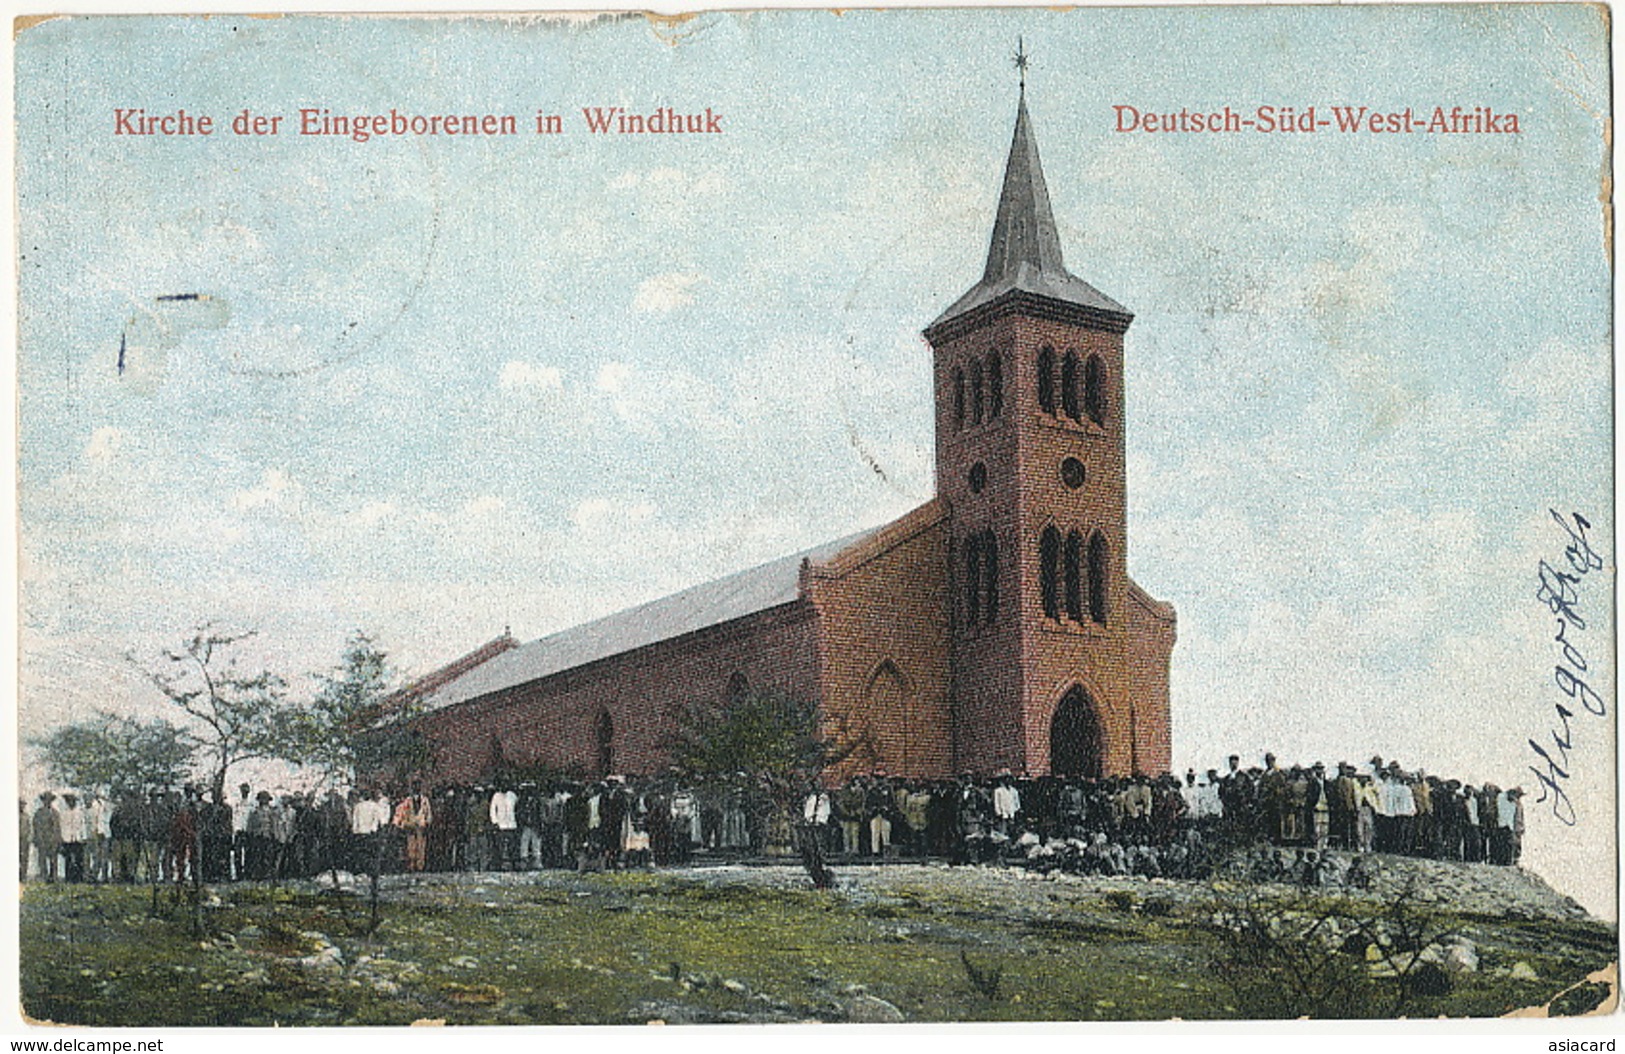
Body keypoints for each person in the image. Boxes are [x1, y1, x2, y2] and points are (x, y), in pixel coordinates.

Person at [393, 782, 433, 872]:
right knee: (411, 846)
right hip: (410, 825)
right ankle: (411, 864)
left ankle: (420, 865)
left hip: (421, 825)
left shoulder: (425, 800)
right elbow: (403, 812)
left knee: (421, 846)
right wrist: (403, 823)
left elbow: (428, 812)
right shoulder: (408, 800)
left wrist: (428, 822)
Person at [30, 793, 61, 883]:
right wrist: (37, 838)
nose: (48, 802)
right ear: (43, 801)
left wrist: (58, 839)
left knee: (53, 859)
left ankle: (53, 877)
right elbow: (36, 827)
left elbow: (58, 828)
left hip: (53, 840)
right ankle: (44, 876)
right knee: (42, 859)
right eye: (46, 800)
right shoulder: (38, 813)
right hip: (43, 839)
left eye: (49, 800)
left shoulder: (55, 813)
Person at [58, 793, 87, 883]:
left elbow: (83, 825)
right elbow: (61, 826)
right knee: (68, 859)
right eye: (69, 801)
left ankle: (79, 878)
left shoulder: (79, 812)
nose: (71, 803)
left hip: (77, 838)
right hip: (67, 838)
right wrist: (62, 838)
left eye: (73, 801)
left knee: (79, 858)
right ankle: (68, 877)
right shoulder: (63, 813)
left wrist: (84, 837)